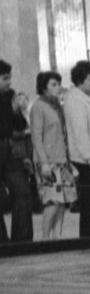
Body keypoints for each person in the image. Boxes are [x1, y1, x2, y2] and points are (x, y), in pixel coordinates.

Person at [62, 60, 90, 237]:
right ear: (80, 80)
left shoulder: (85, 100)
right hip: (86, 158)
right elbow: (81, 133)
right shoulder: (75, 101)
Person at [30, 71, 76, 240]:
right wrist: (43, 162)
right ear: (43, 88)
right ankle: (45, 237)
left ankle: (58, 236)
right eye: (53, 85)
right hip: (48, 161)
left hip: (62, 159)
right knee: (52, 200)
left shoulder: (57, 106)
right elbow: (36, 136)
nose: (57, 88)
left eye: (58, 84)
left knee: (63, 199)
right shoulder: (38, 107)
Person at [0, 57, 34, 243]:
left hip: (9, 149)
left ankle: (21, 239)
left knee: (22, 192)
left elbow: (19, 125)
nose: (9, 82)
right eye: (5, 78)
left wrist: (15, 109)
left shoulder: (9, 97)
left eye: (9, 78)